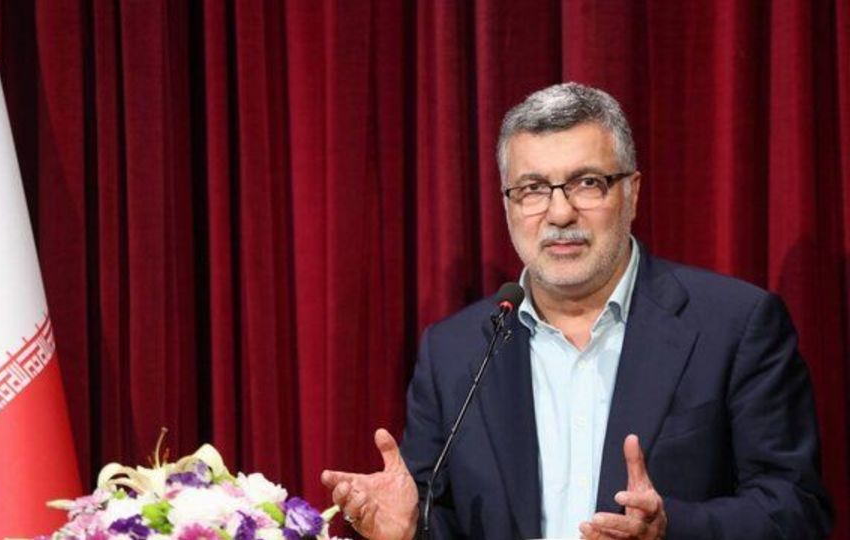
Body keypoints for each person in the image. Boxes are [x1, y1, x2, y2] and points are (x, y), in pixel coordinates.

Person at [321, 82, 833, 539]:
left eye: (587, 182)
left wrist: (671, 528)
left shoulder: (734, 325)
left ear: (632, 192)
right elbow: (445, 518)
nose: (560, 212)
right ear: (508, 205)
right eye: (533, 189)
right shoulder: (454, 352)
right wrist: (410, 530)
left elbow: (795, 508)